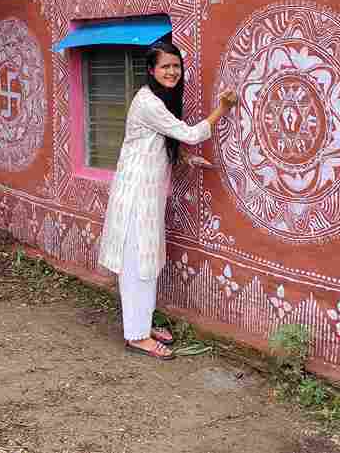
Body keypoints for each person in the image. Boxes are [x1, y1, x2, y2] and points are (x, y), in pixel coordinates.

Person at [98, 40, 237, 360]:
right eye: (165, 67)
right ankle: (136, 335)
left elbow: (156, 140)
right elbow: (188, 133)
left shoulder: (157, 101)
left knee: (146, 262)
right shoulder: (148, 102)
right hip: (135, 197)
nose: (172, 72)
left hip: (146, 195)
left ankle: (141, 326)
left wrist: (185, 159)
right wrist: (223, 109)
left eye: (176, 66)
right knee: (137, 267)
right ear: (151, 70)